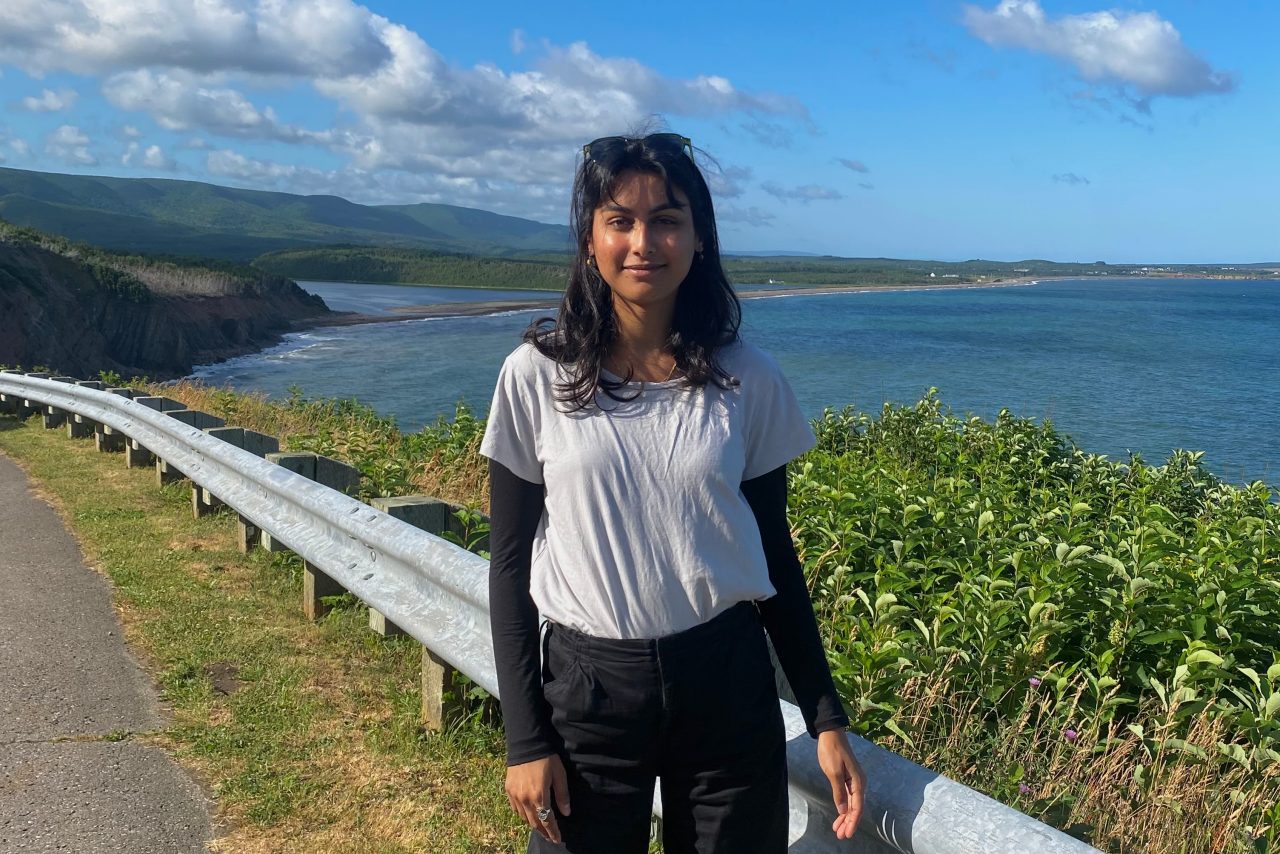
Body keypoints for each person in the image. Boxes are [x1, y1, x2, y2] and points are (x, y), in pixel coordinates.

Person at [480, 131, 865, 853]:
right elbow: (507, 565)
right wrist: (524, 740)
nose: (643, 241)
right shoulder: (535, 376)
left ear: (698, 239)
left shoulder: (748, 378)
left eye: (667, 219)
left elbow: (775, 555)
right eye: (619, 219)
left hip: (725, 682)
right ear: (589, 237)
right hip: (588, 693)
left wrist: (824, 715)